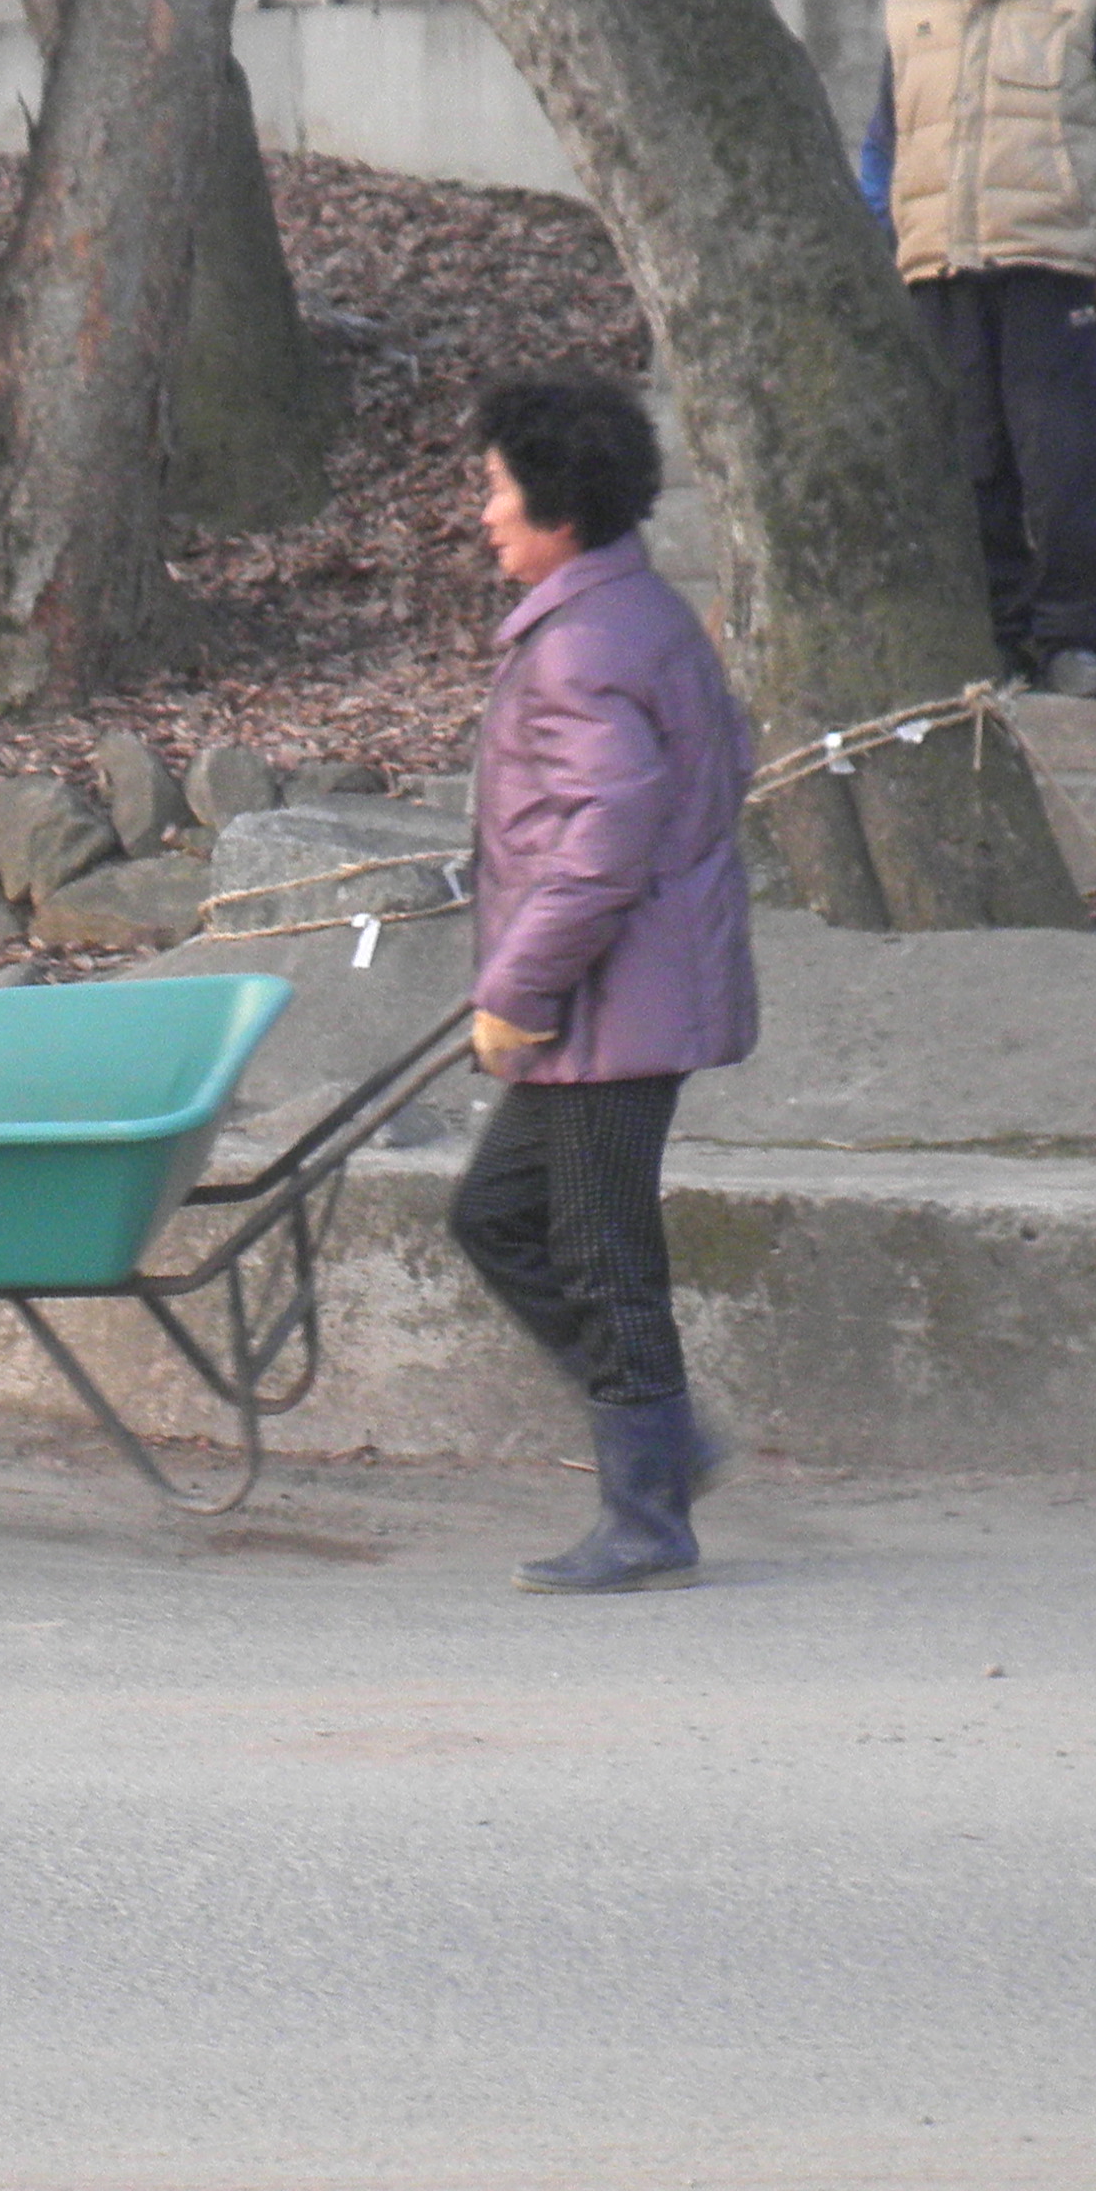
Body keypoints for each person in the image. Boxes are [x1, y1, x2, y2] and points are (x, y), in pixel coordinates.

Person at [450, 372, 760, 1595]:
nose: (484, 513)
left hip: (604, 1009)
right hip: (617, 994)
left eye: (495, 489)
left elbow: (607, 838)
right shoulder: (638, 614)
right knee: (495, 1217)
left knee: (600, 1254)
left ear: (556, 505)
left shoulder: (580, 649)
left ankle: (647, 1514)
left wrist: (518, 986)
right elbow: (714, 767)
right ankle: (667, 1449)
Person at [853, 0, 1096, 700]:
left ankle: (1076, 639)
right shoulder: (907, 5)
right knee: (970, 461)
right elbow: (886, 139)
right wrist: (888, 232)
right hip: (938, 268)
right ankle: (996, 641)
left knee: (1060, 458)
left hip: (1051, 262)